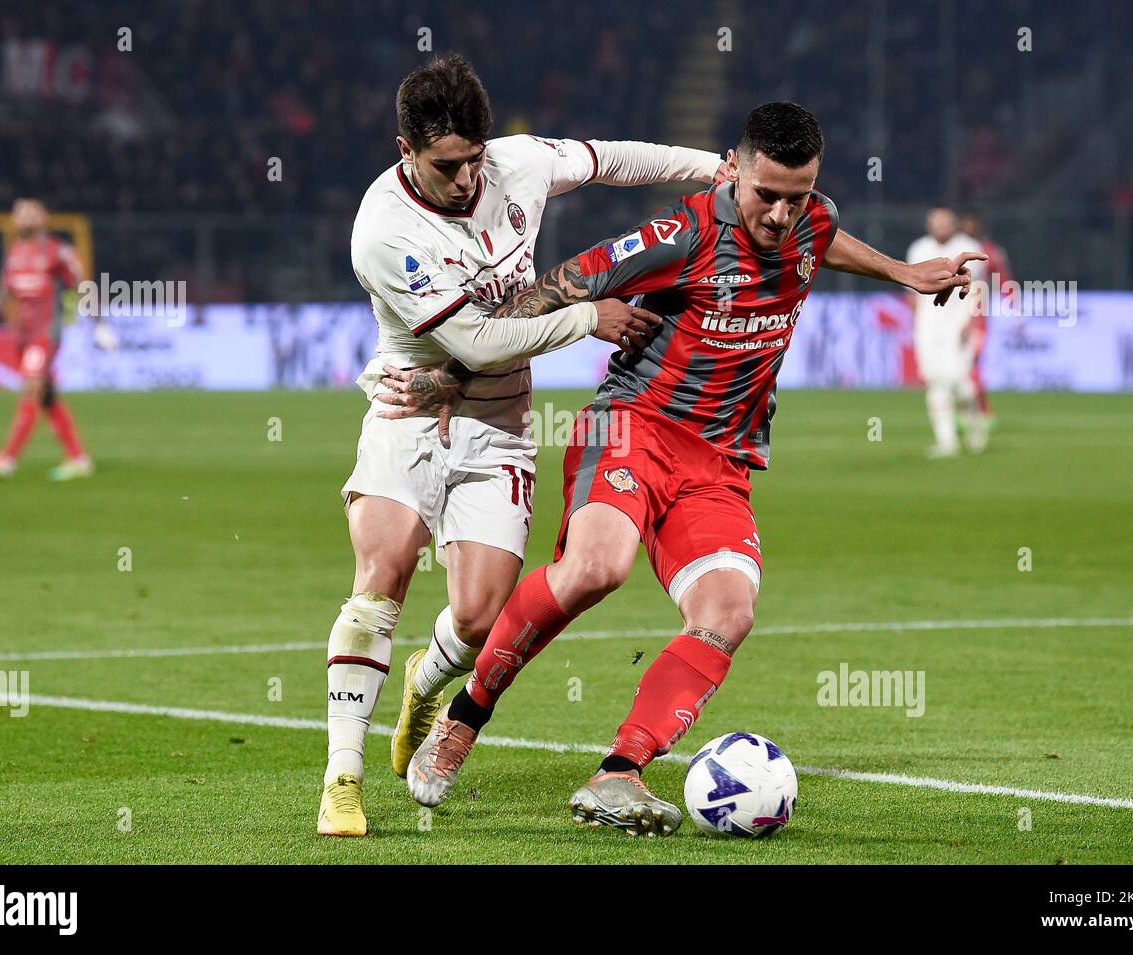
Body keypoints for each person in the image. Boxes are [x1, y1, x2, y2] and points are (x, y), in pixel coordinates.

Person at [393, 101, 984, 835]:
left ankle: (619, 772)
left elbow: (825, 240)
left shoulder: (812, 219)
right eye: (766, 194)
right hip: (633, 429)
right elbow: (563, 284)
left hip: (721, 460)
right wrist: (456, 369)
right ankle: (464, 716)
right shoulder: (683, 235)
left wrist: (904, 272)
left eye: (795, 197)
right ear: (731, 169)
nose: (779, 214)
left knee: (728, 612)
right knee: (596, 569)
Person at [318, 52, 727, 837]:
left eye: (475, 158)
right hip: (410, 407)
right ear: (405, 151)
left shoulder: (516, 163)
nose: (468, 178)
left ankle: (426, 678)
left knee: (478, 617)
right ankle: (343, 777)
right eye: (448, 165)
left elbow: (615, 160)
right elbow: (473, 343)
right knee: (381, 575)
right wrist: (586, 316)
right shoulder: (384, 230)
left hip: (500, 424)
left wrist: (717, 172)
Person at [0, 199, 113, 480]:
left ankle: (7, 458)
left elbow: (83, 286)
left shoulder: (58, 252)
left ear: (43, 218)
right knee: (47, 397)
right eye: (19, 213)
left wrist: (100, 326)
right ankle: (79, 459)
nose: (23, 218)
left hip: (45, 334)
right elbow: (4, 290)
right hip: (22, 336)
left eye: (30, 213)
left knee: (30, 388)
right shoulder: (14, 252)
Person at [905, 207, 988, 457]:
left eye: (945, 222)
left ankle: (974, 421)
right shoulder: (918, 249)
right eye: (935, 222)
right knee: (935, 382)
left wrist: (972, 322)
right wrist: (917, 322)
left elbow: (980, 290)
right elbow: (911, 290)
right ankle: (947, 442)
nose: (940, 227)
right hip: (929, 326)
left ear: (954, 224)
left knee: (957, 381)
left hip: (957, 323)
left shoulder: (969, 247)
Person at [960, 211, 1014, 429]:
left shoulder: (989, 252)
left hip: (977, 320)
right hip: (950, 318)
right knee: (957, 367)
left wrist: (1014, 310)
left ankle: (982, 411)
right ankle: (965, 411)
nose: (968, 227)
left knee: (970, 364)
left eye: (972, 224)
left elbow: (1004, 281)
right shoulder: (954, 250)